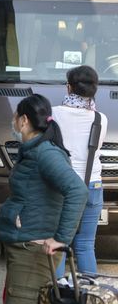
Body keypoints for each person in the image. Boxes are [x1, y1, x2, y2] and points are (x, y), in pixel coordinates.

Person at [0, 94, 88, 304]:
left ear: (23, 120)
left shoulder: (45, 153)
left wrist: (61, 237)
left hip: (33, 251)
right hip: (27, 248)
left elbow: (78, 191)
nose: (13, 122)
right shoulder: (36, 150)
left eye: (15, 118)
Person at [52, 66, 107, 276]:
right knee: (85, 244)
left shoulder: (55, 114)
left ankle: (54, 299)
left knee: (59, 243)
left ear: (68, 88)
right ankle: (90, 299)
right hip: (93, 185)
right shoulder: (100, 119)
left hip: (64, 186)